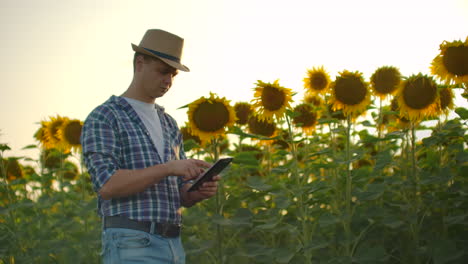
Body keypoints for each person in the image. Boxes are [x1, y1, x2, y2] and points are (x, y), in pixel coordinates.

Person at [80, 29, 220, 264]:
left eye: (173, 74)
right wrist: (168, 168)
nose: (168, 81)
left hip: (173, 245)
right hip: (131, 243)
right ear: (140, 63)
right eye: (163, 72)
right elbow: (107, 185)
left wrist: (195, 191)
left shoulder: (169, 124)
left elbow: (178, 194)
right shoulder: (106, 116)